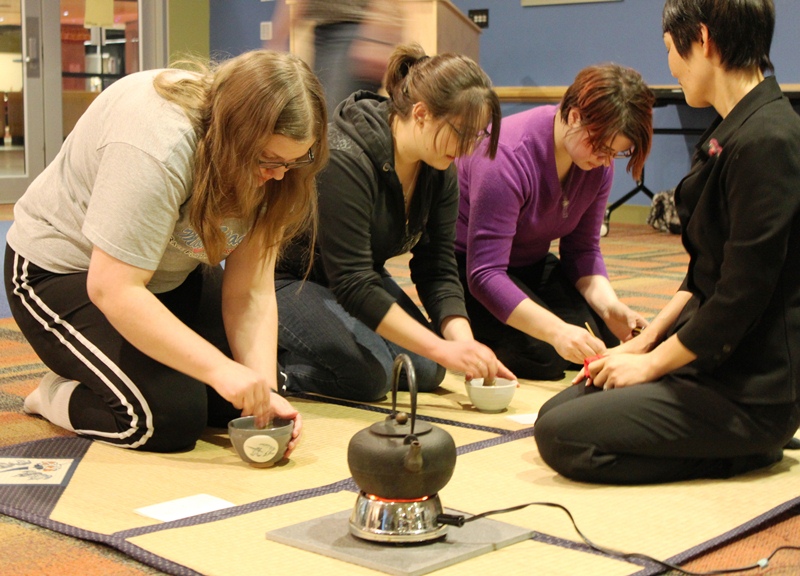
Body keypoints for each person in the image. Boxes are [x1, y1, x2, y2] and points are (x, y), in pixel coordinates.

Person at [4, 50, 328, 454]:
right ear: (234, 135)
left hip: (167, 274)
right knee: (167, 419)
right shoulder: (158, 142)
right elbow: (113, 288)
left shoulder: (281, 171)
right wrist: (219, 368)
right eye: (269, 160)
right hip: (65, 274)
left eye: (296, 161)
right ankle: (53, 395)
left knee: (237, 399)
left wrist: (262, 395)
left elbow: (251, 292)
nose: (279, 174)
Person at [534, 0, 800, 485]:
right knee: (562, 407)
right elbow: (703, 275)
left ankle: (751, 449)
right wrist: (643, 345)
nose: (671, 67)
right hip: (705, 361)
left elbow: (739, 297)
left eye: (670, 50)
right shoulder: (735, 128)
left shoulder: (771, 139)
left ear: (701, 39)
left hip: (748, 392)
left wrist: (655, 364)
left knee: (562, 436)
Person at [275, 43, 515, 402]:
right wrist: (441, 348)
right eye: (461, 133)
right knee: (371, 378)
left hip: (353, 279)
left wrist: (463, 345)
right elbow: (353, 282)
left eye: (476, 136)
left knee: (429, 370)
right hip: (290, 279)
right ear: (421, 113)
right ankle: (274, 364)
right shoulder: (344, 157)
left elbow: (437, 267)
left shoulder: (438, 167)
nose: (466, 149)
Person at [455, 63, 654, 381]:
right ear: (574, 116)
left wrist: (610, 307)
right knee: (544, 357)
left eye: (615, 153)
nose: (605, 161)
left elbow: (582, 250)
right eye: (602, 147)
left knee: (601, 344)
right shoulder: (505, 155)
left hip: (529, 263)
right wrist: (557, 331)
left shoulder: (596, 165)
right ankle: (456, 331)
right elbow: (485, 274)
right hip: (469, 271)